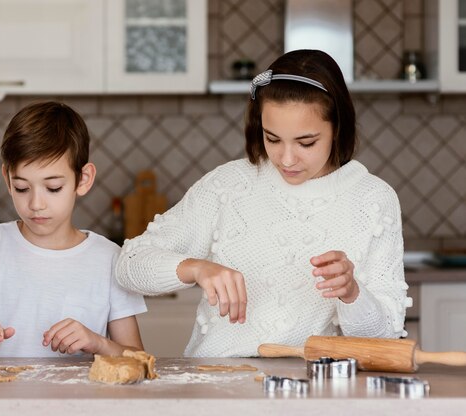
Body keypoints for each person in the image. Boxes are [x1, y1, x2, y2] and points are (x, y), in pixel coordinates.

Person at [115, 49, 408, 357]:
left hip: (312, 396)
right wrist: (196, 268)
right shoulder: (228, 185)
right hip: (218, 390)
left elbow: (386, 336)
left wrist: (352, 294)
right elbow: (129, 265)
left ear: (337, 128)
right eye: (272, 139)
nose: (286, 158)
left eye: (306, 142)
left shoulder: (373, 199)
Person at [0, 101, 147, 357]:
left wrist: (98, 343)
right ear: (7, 179)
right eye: (22, 188)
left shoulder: (109, 259)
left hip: (74, 398)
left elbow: (138, 359)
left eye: (53, 188)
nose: (36, 204)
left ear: (83, 179)